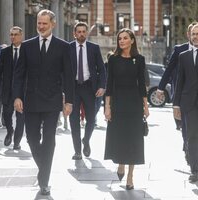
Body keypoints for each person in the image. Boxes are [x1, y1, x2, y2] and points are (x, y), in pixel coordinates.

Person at [13, 9, 74, 195]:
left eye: (44, 23)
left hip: (52, 101)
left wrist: (69, 101)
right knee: (31, 138)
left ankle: (44, 180)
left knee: (49, 141)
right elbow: (19, 74)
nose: (40, 26)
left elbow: (69, 76)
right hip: (30, 101)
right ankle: (44, 170)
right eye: (39, 23)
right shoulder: (27, 46)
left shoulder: (64, 47)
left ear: (53, 24)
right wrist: (17, 96)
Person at [104, 28, 149, 190]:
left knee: (134, 139)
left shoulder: (140, 59)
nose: (121, 41)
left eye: (125, 38)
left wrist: (145, 106)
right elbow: (109, 85)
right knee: (121, 137)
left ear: (132, 40)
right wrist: (107, 107)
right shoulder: (113, 60)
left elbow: (142, 85)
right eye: (119, 39)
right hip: (118, 104)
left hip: (135, 104)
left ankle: (130, 175)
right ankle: (121, 163)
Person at [157, 22, 197, 162]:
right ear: (188, 35)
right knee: (185, 126)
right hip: (182, 95)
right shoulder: (180, 50)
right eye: (193, 33)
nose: (195, 36)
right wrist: (161, 88)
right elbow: (169, 69)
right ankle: (188, 148)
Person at [69, 21, 106, 160]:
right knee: (73, 120)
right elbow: (63, 70)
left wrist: (102, 86)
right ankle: (77, 151)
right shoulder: (68, 48)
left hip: (89, 87)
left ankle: (86, 140)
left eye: (84, 31)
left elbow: (101, 69)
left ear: (86, 33)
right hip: (73, 88)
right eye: (78, 31)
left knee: (91, 119)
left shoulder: (94, 48)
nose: (81, 34)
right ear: (74, 33)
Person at [173, 24, 198, 183]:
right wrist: (176, 105)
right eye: (194, 34)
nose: (195, 36)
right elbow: (179, 81)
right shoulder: (184, 56)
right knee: (192, 137)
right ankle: (195, 170)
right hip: (189, 104)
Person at [0, 27, 24, 150]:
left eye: (16, 34)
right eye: (11, 34)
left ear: (21, 35)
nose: (13, 37)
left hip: (22, 92)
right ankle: (9, 131)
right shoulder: (5, 52)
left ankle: (17, 141)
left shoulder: (27, 51)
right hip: (7, 91)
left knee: (21, 118)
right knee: (7, 115)